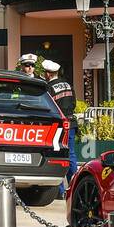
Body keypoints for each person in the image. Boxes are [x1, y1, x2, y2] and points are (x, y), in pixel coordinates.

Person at [42, 60, 77, 189]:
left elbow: (48, 106)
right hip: (71, 122)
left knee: (57, 154)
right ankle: (73, 184)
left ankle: (59, 189)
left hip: (58, 124)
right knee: (71, 154)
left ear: (48, 74)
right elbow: (74, 103)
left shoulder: (49, 87)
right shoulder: (68, 84)